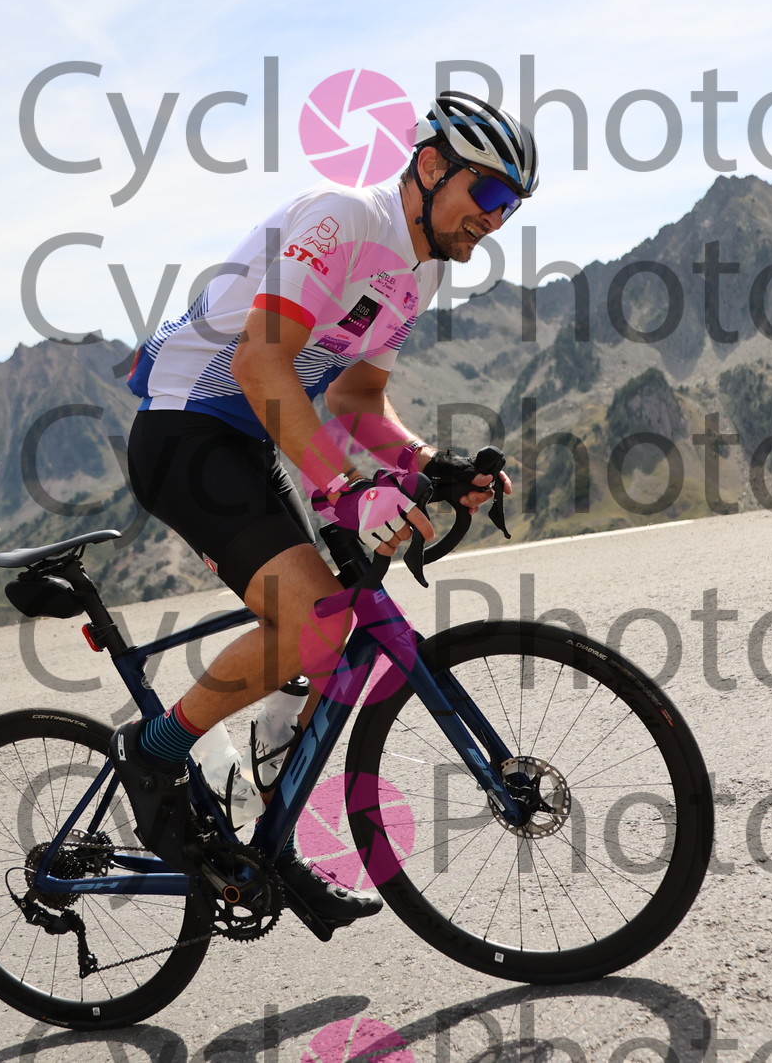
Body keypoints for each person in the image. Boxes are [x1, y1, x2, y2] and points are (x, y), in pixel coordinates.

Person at [112, 91, 538, 927]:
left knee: (335, 620)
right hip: (183, 430)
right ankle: (153, 751)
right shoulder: (344, 218)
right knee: (310, 622)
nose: (495, 219)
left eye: (510, 206)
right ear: (430, 166)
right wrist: (346, 489)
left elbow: (356, 397)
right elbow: (259, 362)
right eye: (488, 192)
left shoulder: (422, 270)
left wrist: (429, 466)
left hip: (252, 438)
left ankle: (265, 832)